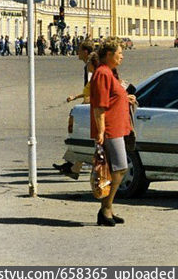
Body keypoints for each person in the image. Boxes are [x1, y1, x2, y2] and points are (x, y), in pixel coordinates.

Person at [89, 40, 134, 226]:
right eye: (119, 53)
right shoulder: (102, 74)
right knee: (120, 167)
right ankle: (105, 208)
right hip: (109, 129)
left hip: (116, 127)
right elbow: (99, 106)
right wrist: (101, 131)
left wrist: (126, 98)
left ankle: (108, 208)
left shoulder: (110, 73)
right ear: (109, 54)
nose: (122, 56)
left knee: (116, 168)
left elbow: (113, 96)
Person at [54, 41, 99, 179]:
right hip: (89, 102)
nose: (77, 52)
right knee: (83, 137)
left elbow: (92, 87)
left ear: (85, 52)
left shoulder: (91, 69)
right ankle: (73, 166)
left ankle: (75, 166)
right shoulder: (90, 67)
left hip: (91, 105)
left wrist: (84, 101)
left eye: (79, 50)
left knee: (82, 135)